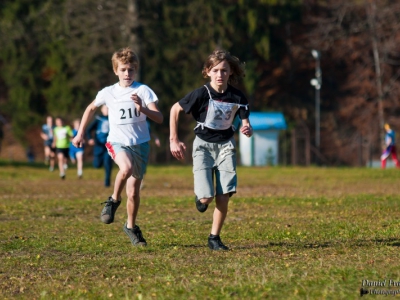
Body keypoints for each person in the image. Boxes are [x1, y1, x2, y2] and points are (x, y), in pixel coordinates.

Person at [72, 47, 163, 247]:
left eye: (130, 70)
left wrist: (143, 108)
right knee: (126, 168)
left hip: (140, 144)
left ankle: (131, 226)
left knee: (134, 193)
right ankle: (113, 200)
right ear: (116, 71)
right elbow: (90, 108)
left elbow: (159, 117)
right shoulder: (108, 92)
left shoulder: (143, 90)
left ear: (136, 69)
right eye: (123, 70)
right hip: (117, 142)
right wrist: (80, 133)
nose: (127, 74)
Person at [169, 49, 253, 251]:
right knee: (207, 198)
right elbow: (175, 109)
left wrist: (247, 128)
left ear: (231, 72)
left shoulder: (237, 96)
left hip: (226, 147)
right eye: (215, 70)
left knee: (223, 195)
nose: (220, 75)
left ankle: (214, 237)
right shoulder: (201, 94)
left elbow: (245, 120)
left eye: (224, 70)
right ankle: (201, 196)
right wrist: (174, 139)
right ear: (208, 71)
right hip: (203, 146)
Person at [86, 105, 113, 187]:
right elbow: (88, 130)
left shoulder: (113, 118)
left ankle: (107, 182)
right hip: (99, 145)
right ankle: (98, 164)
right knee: (97, 165)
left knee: (108, 163)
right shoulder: (98, 119)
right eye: (105, 108)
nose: (107, 110)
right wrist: (90, 138)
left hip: (109, 145)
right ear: (101, 109)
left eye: (108, 108)